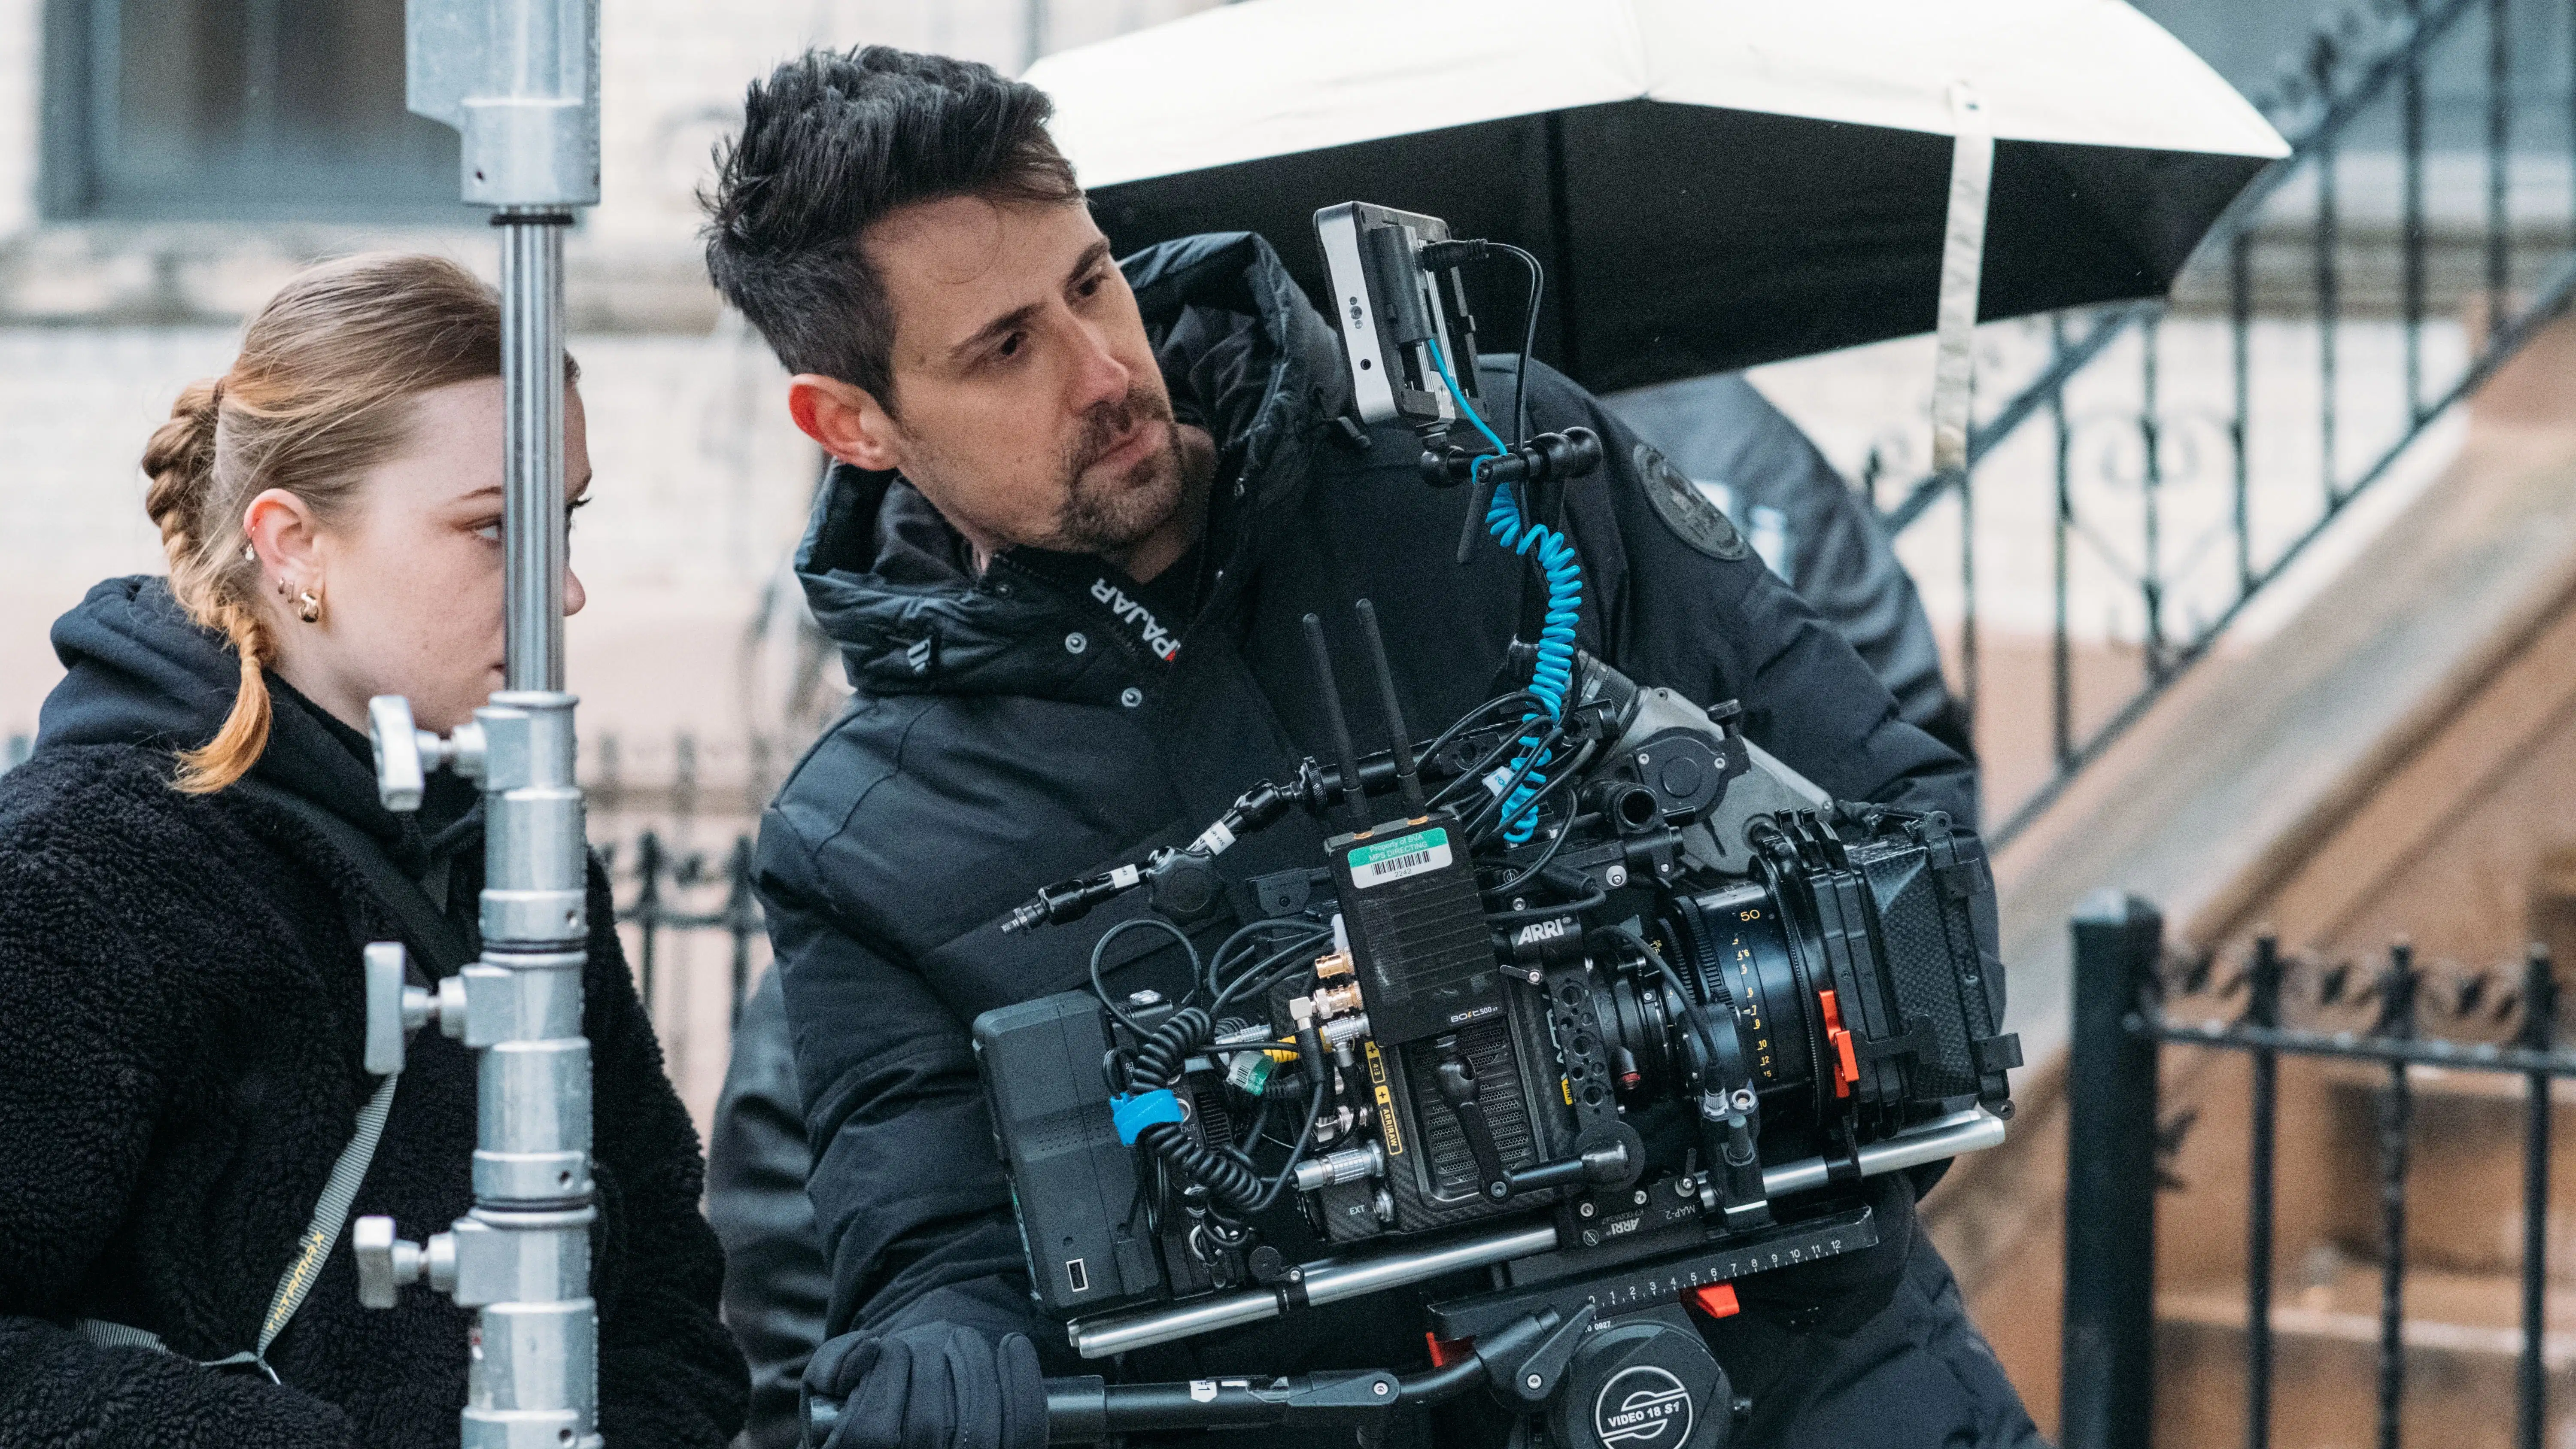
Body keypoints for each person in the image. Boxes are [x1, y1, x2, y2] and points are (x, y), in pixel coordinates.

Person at [707, 47, 2040, 1449]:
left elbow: (1903, 825)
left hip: (1819, 1389)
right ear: (850, 421)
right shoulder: (866, 840)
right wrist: (945, 1359)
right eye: (1003, 348)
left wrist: (1732, 1128)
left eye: (1091, 281)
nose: (1103, 370)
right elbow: (931, 1253)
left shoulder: (1500, 459)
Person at [0, 253, 749, 1449]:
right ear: (293, 544)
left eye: (565, 523)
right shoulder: (79, 866)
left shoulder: (514, 850)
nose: (564, 591)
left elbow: (663, 1286)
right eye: (495, 530)